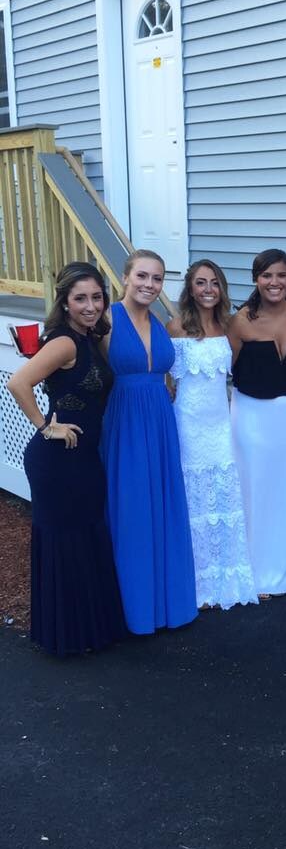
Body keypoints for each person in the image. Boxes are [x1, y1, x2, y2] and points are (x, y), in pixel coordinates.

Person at [7, 262, 127, 655]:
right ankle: (68, 636)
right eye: (80, 299)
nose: (91, 306)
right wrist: (46, 427)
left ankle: (89, 630)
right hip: (57, 460)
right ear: (65, 303)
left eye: (97, 297)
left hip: (84, 457)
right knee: (65, 543)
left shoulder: (90, 337)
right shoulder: (64, 343)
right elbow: (18, 382)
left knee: (85, 537)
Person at [100, 249, 198, 634]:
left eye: (157, 278)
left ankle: (168, 605)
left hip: (160, 421)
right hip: (124, 422)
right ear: (125, 277)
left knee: (164, 506)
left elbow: (161, 371)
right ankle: (136, 610)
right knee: (133, 510)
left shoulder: (160, 322)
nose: (149, 284)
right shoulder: (106, 318)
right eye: (142, 276)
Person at [167, 260, 256, 610]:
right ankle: (196, 584)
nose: (208, 289)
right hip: (187, 424)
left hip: (220, 423)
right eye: (201, 282)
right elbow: (165, 375)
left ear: (222, 289)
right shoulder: (176, 327)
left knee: (221, 498)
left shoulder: (228, 326)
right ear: (190, 288)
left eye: (214, 283)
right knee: (194, 502)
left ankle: (224, 579)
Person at [228, 249, 286, 598]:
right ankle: (255, 570)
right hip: (252, 418)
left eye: (281, 275)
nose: (274, 282)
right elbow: (226, 368)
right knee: (254, 491)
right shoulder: (240, 321)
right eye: (266, 276)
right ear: (256, 280)